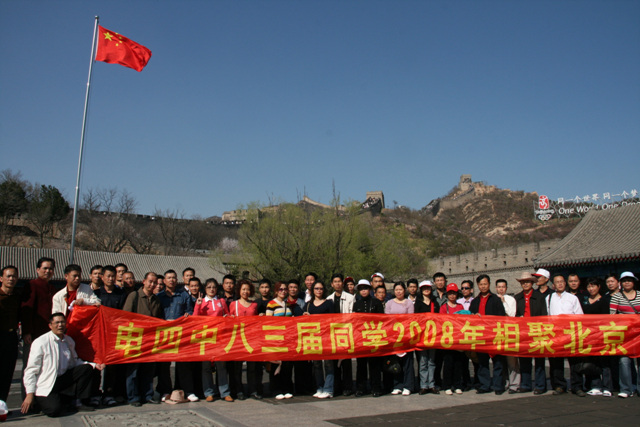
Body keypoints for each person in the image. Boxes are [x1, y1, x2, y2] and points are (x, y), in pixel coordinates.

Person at [21, 312, 105, 417]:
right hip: (47, 383)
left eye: (62, 322)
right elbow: (31, 370)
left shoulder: (69, 341)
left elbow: (74, 362)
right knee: (54, 410)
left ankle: (78, 402)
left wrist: (94, 365)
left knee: (86, 368)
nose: (60, 325)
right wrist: (29, 394)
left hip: (62, 379)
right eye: (57, 323)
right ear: (50, 325)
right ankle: (43, 403)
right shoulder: (40, 342)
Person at [122, 272, 163, 406]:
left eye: (155, 282)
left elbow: (160, 320)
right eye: (150, 281)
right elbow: (126, 316)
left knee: (148, 370)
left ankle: (147, 395)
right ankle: (133, 397)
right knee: (133, 370)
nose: (152, 284)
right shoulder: (134, 296)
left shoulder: (156, 300)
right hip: (135, 339)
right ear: (144, 281)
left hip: (150, 340)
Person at [157, 269, 196, 402]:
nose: (171, 280)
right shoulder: (159, 296)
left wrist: (187, 315)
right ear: (164, 280)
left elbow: (190, 311)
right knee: (164, 364)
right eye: (169, 278)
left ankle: (187, 391)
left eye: (174, 277)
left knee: (183, 363)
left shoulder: (184, 295)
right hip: (164, 334)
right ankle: (165, 390)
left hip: (181, 334)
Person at [21, 257, 57, 398]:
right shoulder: (32, 285)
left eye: (50, 269)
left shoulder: (52, 288)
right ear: (37, 270)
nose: (48, 271)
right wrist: (27, 331)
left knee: (46, 367)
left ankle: (41, 398)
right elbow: (26, 310)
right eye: (45, 268)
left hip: (48, 334)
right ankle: (27, 399)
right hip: (34, 333)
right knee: (30, 367)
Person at [93, 265, 127, 406]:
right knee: (97, 364)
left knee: (112, 366)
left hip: (114, 334)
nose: (111, 279)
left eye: (113, 276)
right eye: (108, 276)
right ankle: (95, 394)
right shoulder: (95, 293)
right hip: (99, 334)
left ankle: (109, 393)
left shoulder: (121, 294)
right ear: (102, 277)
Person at [194, 278, 233, 402]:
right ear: (205, 289)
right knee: (206, 366)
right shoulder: (201, 301)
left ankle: (224, 392)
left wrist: (227, 317)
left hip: (219, 337)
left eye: (214, 287)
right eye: (209, 287)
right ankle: (209, 392)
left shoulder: (221, 301)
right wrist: (198, 305)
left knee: (221, 366)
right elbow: (195, 318)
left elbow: (227, 315)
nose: (212, 289)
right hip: (206, 337)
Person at [546, 274, 584, 396]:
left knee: (574, 360)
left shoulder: (573, 298)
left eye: (562, 281)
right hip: (556, 333)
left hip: (570, 332)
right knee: (556, 361)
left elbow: (580, 315)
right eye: (557, 282)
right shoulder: (549, 298)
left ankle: (577, 386)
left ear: (565, 283)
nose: (560, 284)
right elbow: (546, 316)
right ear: (553, 285)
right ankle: (560, 385)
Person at [470, 274, 506, 395]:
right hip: (480, 336)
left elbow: (502, 318)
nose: (483, 286)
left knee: (498, 362)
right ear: (478, 285)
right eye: (481, 284)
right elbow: (469, 318)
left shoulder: (496, 300)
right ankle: (484, 385)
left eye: (485, 284)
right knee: (482, 362)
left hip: (494, 335)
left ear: (489, 284)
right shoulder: (475, 301)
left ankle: (498, 386)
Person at [514, 271, 548, 394]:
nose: (525, 284)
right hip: (523, 332)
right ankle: (525, 384)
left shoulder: (539, 297)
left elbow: (544, 315)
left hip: (537, 331)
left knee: (539, 361)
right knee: (524, 360)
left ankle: (540, 385)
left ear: (532, 283)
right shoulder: (517, 298)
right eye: (523, 282)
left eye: (528, 282)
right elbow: (515, 315)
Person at [609, 271, 640, 398]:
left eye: (629, 280)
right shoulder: (617, 297)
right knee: (624, 361)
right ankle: (626, 389)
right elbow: (612, 315)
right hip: (624, 334)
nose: (627, 282)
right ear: (621, 283)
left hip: (638, 333)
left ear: (634, 282)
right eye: (624, 280)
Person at [229, 279, 259, 400]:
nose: (245, 292)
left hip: (251, 338)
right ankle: (239, 390)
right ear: (239, 291)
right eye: (243, 289)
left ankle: (253, 390)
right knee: (237, 367)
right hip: (238, 339)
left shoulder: (254, 305)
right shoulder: (233, 304)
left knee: (252, 367)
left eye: (247, 289)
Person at [579, 277, 610, 396]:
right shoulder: (584, 301)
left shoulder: (604, 300)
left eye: (593, 286)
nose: (591, 289)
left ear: (599, 287)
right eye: (589, 286)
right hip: (588, 335)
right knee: (592, 361)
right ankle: (595, 385)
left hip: (601, 334)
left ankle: (607, 387)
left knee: (604, 361)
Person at [353, 279, 384, 397]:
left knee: (374, 364)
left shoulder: (376, 302)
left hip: (374, 337)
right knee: (361, 365)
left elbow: (382, 320)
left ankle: (376, 387)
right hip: (361, 338)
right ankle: (361, 388)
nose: (363, 291)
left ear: (370, 289)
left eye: (365, 288)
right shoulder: (357, 304)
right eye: (361, 289)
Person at [304, 280, 335, 398]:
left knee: (328, 364)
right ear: (312, 290)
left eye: (321, 288)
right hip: (314, 337)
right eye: (316, 288)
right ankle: (319, 387)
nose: (319, 291)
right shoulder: (308, 304)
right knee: (316, 364)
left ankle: (329, 389)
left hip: (327, 336)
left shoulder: (329, 303)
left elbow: (333, 319)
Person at [266, 282, 296, 400]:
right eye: (280, 289)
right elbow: (268, 322)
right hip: (275, 338)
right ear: (276, 291)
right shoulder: (271, 304)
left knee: (286, 365)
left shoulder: (287, 304)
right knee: (275, 364)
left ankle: (286, 388)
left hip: (287, 339)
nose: (283, 291)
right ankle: (276, 389)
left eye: (285, 289)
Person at [326, 273, 355, 396]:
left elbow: (352, 315)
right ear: (332, 284)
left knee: (346, 362)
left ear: (342, 283)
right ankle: (336, 386)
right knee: (334, 362)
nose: (337, 284)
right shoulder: (328, 299)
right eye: (335, 282)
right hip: (333, 333)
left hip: (346, 331)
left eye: (339, 281)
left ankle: (347, 387)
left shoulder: (350, 298)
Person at [385, 282, 415, 395]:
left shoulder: (409, 303)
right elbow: (387, 319)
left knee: (407, 362)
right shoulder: (389, 303)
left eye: (400, 289)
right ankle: (397, 385)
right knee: (395, 362)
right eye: (396, 290)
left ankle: (408, 385)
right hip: (393, 336)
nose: (398, 292)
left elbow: (411, 318)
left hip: (406, 335)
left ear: (404, 291)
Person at [0, 265, 22, 403]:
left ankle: (2, 404)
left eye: (14, 276)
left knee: (8, 372)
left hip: (11, 337)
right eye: (8, 276)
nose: (11, 279)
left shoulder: (17, 297)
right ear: (1, 278)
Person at [439, 283, 465, 395]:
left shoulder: (460, 307)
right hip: (448, 339)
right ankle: (447, 385)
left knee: (458, 363)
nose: (452, 295)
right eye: (450, 293)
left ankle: (457, 385)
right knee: (448, 363)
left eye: (454, 293)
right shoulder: (443, 307)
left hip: (458, 338)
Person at [415, 280, 439, 395]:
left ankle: (432, 384)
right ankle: (423, 385)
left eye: (428, 288)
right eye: (424, 288)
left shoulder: (435, 302)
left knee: (431, 361)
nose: (426, 290)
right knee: (423, 361)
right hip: (422, 336)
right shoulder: (418, 303)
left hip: (433, 335)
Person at [496, 279, 520, 394]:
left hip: (509, 333)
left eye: (503, 287)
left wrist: (503, 302)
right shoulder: (493, 299)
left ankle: (514, 384)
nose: (501, 289)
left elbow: (511, 315)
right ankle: (504, 382)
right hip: (498, 333)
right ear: (496, 288)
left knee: (512, 361)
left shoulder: (511, 300)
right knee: (501, 361)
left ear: (506, 288)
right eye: (499, 287)